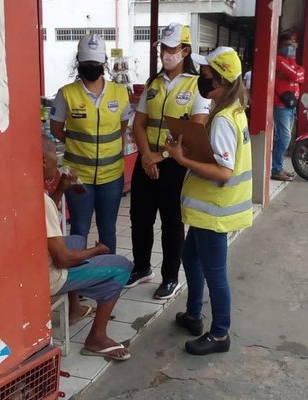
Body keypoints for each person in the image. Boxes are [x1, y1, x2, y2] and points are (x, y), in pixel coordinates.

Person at [164, 47, 253, 355]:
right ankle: (192, 313)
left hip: (215, 212)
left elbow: (224, 172)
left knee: (216, 276)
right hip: (207, 212)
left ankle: (220, 334)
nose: (201, 80)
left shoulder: (225, 120)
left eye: (205, 76)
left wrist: (181, 158)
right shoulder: (231, 111)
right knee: (190, 257)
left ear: (221, 80)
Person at [127, 22, 210, 300]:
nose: (165, 53)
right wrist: (146, 156)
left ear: (185, 51)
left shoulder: (197, 86)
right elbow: (138, 123)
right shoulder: (153, 83)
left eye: (171, 48)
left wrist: (160, 156)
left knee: (172, 223)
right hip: (146, 161)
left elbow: (195, 130)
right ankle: (141, 268)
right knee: (139, 217)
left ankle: (171, 277)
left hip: (174, 164)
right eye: (163, 47)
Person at [42, 137, 133, 360]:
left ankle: (76, 308)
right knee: (122, 267)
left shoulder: (28, 189)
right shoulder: (39, 198)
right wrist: (97, 251)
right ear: (43, 160)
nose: (58, 158)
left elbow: (46, 215)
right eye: (55, 152)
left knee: (76, 241)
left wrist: (62, 187)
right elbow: (63, 259)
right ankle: (97, 337)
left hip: (31, 264)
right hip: (48, 275)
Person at [50, 33, 133, 254]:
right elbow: (56, 129)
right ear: (79, 61)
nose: (92, 67)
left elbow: (123, 126)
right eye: (87, 63)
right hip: (78, 177)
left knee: (108, 229)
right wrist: (79, 145)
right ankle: (80, 281)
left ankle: (109, 278)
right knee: (79, 229)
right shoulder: (66, 94)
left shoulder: (119, 92)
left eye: (96, 63)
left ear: (104, 61)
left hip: (112, 176)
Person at [271, 32, 304, 182]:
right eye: (288, 45)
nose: (291, 48)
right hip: (281, 105)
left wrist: (293, 74)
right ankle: (276, 169)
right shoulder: (278, 60)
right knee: (284, 138)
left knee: (282, 138)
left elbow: (300, 75)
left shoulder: (291, 61)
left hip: (290, 106)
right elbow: (296, 76)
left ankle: (277, 167)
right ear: (280, 46)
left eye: (292, 45)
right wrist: (293, 74)